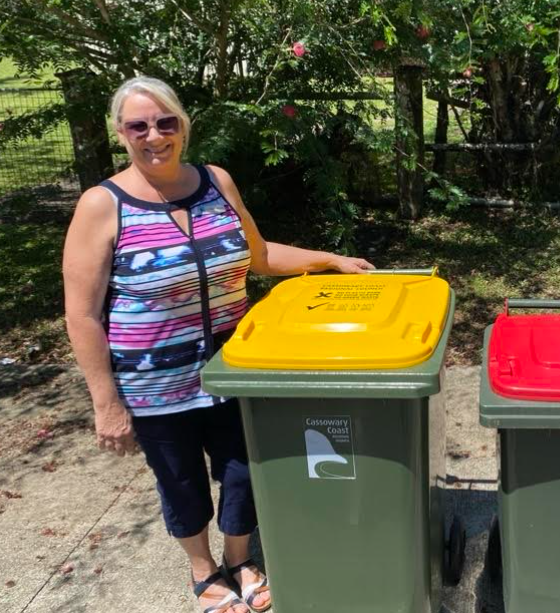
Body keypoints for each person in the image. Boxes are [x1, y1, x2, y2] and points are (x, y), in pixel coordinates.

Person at [63, 76, 374, 613]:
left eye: (166, 123)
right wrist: (106, 401)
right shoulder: (101, 204)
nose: (153, 135)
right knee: (180, 479)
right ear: (121, 133)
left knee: (243, 467)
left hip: (237, 364)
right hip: (154, 380)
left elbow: (257, 255)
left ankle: (240, 559)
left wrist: (330, 260)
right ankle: (202, 569)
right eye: (138, 125)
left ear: (183, 126)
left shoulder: (215, 181)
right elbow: (83, 314)